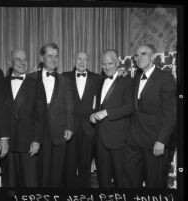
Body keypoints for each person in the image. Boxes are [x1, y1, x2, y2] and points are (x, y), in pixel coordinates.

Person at [123, 44, 176, 188]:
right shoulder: (135, 78)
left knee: (155, 184)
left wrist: (161, 140)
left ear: (152, 57)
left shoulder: (165, 77)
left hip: (155, 143)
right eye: (136, 55)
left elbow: (171, 113)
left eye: (143, 54)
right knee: (130, 182)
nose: (139, 57)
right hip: (134, 143)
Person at [0, 50, 46, 187]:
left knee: (29, 183)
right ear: (10, 62)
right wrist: (3, 138)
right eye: (18, 59)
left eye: (25, 59)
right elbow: (0, 112)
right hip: (7, 144)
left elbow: (41, 115)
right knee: (9, 184)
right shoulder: (2, 83)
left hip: (28, 144)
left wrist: (37, 140)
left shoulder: (36, 84)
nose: (22, 62)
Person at [90, 49, 134, 188]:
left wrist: (107, 112)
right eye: (104, 64)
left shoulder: (127, 80)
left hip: (118, 139)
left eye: (110, 63)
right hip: (100, 139)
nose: (107, 67)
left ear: (117, 63)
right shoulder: (99, 80)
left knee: (121, 180)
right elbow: (96, 104)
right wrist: (93, 114)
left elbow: (130, 107)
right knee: (103, 180)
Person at [36, 42, 74, 187]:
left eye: (56, 56)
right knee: (40, 170)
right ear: (42, 58)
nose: (54, 59)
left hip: (59, 130)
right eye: (50, 56)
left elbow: (69, 106)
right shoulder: (32, 78)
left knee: (56, 172)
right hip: (38, 132)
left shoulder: (65, 81)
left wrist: (69, 127)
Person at [62, 51, 102, 187]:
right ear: (74, 60)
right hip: (69, 129)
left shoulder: (97, 78)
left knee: (85, 168)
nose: (82, 62)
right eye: (79, 59)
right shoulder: (64, 77)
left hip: (89, 129)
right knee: (69, 168)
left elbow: (112, 83)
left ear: (88, 62)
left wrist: (122, 74)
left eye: (85, 59)